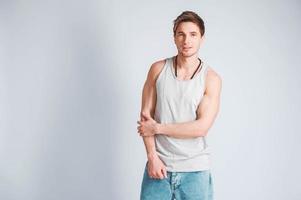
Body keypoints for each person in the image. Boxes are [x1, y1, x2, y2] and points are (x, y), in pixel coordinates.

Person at [137, 10, 222, 200]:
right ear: (174, 37)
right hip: (158, 166)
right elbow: (145, 118)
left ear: (202, 38)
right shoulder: (158, 69)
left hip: (195, 171)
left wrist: (157, 128)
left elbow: (201, 128)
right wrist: (152, 156)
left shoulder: (211, 79)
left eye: (193, 34)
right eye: (181, 34)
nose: (186, 40)